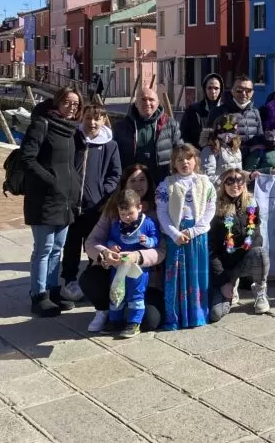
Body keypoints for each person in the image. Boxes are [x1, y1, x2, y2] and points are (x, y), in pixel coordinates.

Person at [20, 88, 83, 317]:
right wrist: (51, 180)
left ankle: (54, 291)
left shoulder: (70, 130)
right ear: (57, 102)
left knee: (58, 248)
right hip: (44, 198)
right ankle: (38, 295)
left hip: (65, 199)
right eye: (67, 102)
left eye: (76, 104)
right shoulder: (41, 124)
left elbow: (73, 163)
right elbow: (27, 158)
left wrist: (73, 185)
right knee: (44, 249)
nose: (72, 107)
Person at [82, 164, 166, 332]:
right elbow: (92, 241)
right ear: (125, 184)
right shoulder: (114, 208)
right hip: (115, 268)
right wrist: (105, 253)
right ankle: (104, 310)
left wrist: (138, 256)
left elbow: (161, 249)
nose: (138, 184)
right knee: (89, 278)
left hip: (145, 274)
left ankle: (132, 313)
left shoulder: (159, 209)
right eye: (132, 180)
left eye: (142, 180)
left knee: (150, 321)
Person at [60, 104, 122, 303]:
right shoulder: (73, 140)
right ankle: (69, 280)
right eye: (88, 118)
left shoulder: (110, 145)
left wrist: (103, 194)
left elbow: (115, 174)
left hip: (96, 207)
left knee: (92, 245)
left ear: (104, 120)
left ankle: (88, 279)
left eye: (97, 118)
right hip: (71, 205)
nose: (92, 122)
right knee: (70, 245)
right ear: (82, 119)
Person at [155, 144, 216, 329]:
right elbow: (162, 212)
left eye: (188, 158)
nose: (184, 163)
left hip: (197, 236)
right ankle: (176, 317)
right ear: (173, 163)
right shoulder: (167, 184)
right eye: (179, 159)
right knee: (176, 276)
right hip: (176, 235)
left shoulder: (205, 182)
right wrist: (174, 233)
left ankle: (197, 315)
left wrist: (194, 230)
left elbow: (210, 209)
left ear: (195, 160)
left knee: (196, 275)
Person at [208, 171, 270, 321]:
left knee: (260, 252)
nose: (235, 185)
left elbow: (256, 234)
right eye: (230, 181)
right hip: (225, 266)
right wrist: (223, 281)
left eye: (239, 181)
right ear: (223, 184)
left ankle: (260, 290)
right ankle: (232, 285)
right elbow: (211, 249)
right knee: (215, 314)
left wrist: (249, 248)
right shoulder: (216, 208)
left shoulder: (251, 204)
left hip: (244, 258)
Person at [104, 188, 159, 337]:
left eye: (130, 213)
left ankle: (134, 323)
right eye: (123, 214)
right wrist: (111, 246)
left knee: (136, 294)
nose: (127, 217)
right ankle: (115, 320)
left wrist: (147, 241)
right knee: (116, 291)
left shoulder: (148, 223)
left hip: (137, 269)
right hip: (119, 267)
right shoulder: (116, 225)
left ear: (139, 208)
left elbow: (156, 241)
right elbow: (110, 238)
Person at [114, 87, 182, 182]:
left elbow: (180, 152)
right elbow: (114, 158)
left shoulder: (171, 125)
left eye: (151, 99)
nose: (147, 103)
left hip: (162, 181)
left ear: (158, 103)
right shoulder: (121, 127)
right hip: (132, 182)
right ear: (136, 103)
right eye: (143, 99)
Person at [207, 76, 263, 156]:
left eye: (248, 90)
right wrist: (246, 150)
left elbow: (260, 137)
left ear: (252, 93)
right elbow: (212, 141)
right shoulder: (217, 112)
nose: (243, 93)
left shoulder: (256, 112)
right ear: (232, 91)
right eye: (239, 90)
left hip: (252, 160)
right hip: (229, 161)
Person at [180, 73, 224, 148]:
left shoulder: (226, 111)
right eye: (209, 88)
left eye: (216, 88)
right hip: (197, 154)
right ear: (204, 89)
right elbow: (183, 134)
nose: (213, 91)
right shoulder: (193, 110)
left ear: (221, 90)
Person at [200, 113, 243, 187]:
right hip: (219, 192)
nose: (227, 137)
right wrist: (227, 183)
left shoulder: (236, 149)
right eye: (223, 134)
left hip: (235, 190)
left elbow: (239, 171)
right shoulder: (210, 149)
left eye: (230, 134)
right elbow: (208, 176)